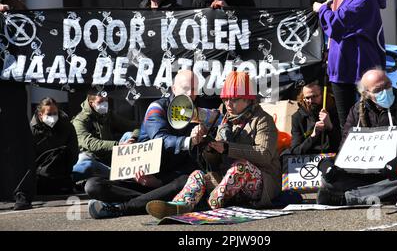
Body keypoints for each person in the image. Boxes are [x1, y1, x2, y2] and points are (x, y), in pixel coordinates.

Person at [146, 71, 281, 219]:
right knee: (197, 175)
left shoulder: (262, 120)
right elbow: (215, 161)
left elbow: (264, 156)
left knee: (241, 167)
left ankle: (211, 205)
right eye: (225, 99)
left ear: (248, 100)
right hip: (229, 183)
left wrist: (228, 148)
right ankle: (179, 206)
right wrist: (208, 147)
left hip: (262, 185)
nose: (228, 104)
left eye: (234, 99)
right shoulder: (225, 119)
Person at [85, 70, 209, 219]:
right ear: (173, 88)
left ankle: (122, 208)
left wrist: (158, 183)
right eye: (185, 88)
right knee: (93, 185)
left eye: (194, 89)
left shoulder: (199, 113)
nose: (190, 93)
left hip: (168, 182)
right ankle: (153, 200)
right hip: (141, 179)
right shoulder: (157, 108)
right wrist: (189, 141)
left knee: (188, 180)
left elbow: (194, 161)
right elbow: (161, 139)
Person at [316, 69, 397, 206]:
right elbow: (345, 148)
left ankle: (350, 198)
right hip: (363, 173)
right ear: (366, 93)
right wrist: (328, 165)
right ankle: (377, 194)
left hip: (393, 173)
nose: (386, 91)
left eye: (388, 85)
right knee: (327, 178)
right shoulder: (356, 111)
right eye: (378, 89)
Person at [313, 0, 387, 130]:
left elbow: (337, 25)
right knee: (345, 122)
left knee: (369, 119)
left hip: (360, 70)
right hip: (342, 69)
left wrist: (321, 9)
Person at [0, 0, 34, 210]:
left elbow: (33, 29)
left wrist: (12, 15)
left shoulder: (13, 5)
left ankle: (21, 192)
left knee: (17, 137)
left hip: (10, 82)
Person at [71, 90, 140, 182]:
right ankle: (122, 175)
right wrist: (118, 145)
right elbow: (91, 144)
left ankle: (126, 173)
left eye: (106, 101)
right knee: (85, 163)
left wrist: (133, 138)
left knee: (129, 135)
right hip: (93, 158)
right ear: (91, 103)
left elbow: (136, 126)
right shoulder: (79, 121)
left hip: (111, 157)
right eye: (100, 101)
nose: (104, 104)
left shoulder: (108, 115)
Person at [30, 98, 78, 194]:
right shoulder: (31, 131)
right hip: (40, 176)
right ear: (40, 115)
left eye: (55, 114)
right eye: (49, 114)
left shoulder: (67, 127)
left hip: (62, 174)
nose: (52, 117)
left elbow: (73, 153)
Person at [289, 81, 341, 154]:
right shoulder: (297, 117)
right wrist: (313, 136)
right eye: (307, 98)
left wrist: (330, 127)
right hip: (309, 160)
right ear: (303, 98)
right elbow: (295, 151)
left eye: (315, 96)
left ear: (323, 95)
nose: (311, 101)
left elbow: (344, 144)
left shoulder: (336, 111)